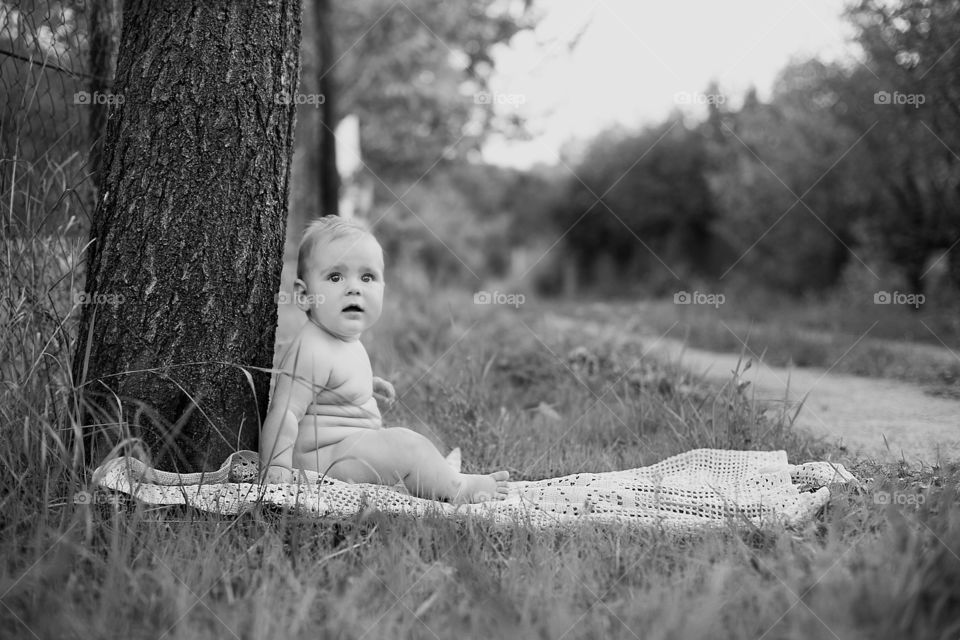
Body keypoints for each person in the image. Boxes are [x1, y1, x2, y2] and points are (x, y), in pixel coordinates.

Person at [259, 216, 510, 503]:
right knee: (406, 445)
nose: (354, 288)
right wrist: (276, 470)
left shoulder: (340, 339)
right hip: (322, 465)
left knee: (401, 447)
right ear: (304, 296)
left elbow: (332, 389)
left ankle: (435, 473)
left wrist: (368, 385)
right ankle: (456, 489)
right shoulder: (312, 349)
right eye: (335, 277)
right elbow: (285, 412)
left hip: (344, 453)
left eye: (367, 277)